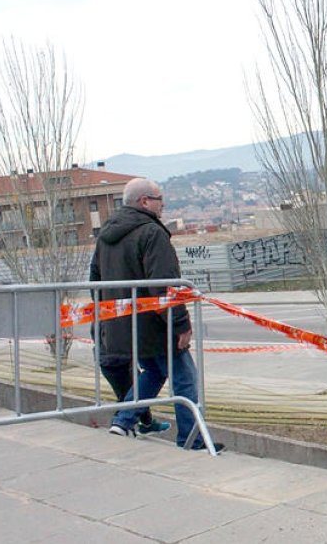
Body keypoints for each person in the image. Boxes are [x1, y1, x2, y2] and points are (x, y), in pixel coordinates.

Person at [90, 177, 221, 452]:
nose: (163, 205)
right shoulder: (151, 233)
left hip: (123, 326)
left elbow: (96, 282)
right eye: (160, 199)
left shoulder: (106, 236)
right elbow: (165, 285)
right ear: (145, 201)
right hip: (155, 327)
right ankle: (192, 440)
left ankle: (123, 421)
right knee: (184, 379)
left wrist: (109, 321)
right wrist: (180, 324)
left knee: (152, 371)